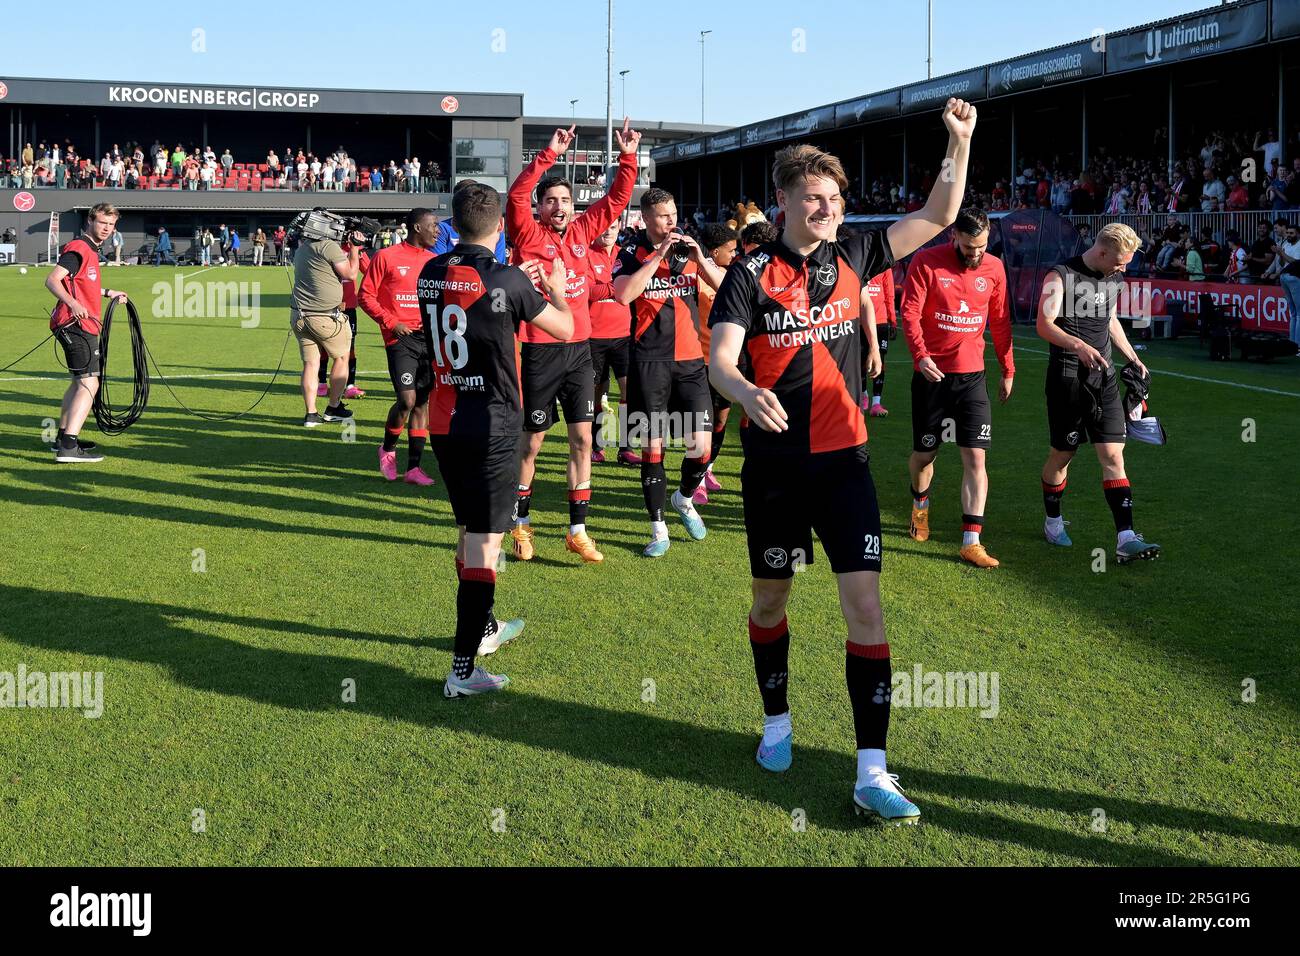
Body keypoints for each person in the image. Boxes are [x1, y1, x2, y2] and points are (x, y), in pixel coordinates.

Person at [707, 98, 978, 824]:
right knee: (772, 599)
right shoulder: (749, 274)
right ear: (785, 202)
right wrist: (741, 389)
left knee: (865, 604)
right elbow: (721, 360)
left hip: (844, 464)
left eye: (834, 198)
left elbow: (939, 213)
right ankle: (777, 722)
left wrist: (960, 141)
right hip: (773, 468)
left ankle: (872, 771)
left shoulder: (858, 252)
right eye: (813, 198)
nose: (827, 208)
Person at [419, 183, 575, 697]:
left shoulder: (429, 271)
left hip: (445, 420)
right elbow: (566, 329)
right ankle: (463, 671)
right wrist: (550, 285)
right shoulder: (507, 278)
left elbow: (478, 296)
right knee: (486, 544)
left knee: (468, 531)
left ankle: (483, 628)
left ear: (452, 224)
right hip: (492, 426)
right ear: (502, 225)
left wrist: (514, 285)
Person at [505, 118, 641, 565]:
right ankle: (521, 524)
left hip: (580, 353)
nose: (560, 206)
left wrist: (627, 155)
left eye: (565, 200)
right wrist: (549, 155)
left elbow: (619, 197)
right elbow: (515, 196)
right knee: (532, 444)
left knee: (583, 440)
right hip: (540, 352)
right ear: (540, 208)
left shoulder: (584, 232)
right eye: (551, 201)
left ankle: (577, 530)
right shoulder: (527, 235)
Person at [1036, 222, 1160, 564]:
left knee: (1113, 455)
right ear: (1102, 251)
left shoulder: (1114, 278)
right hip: (1068, 379)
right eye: (1120, 262)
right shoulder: (1059, 275)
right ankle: (1053, 521)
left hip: (1103, 378)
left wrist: (1133, 358)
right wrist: (1077, 345)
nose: (1123, 269)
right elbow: (1043, 324)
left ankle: (1125, 538)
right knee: (1063, 456)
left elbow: (1109, 319)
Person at [613, 187, 726, 556]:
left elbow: (726, 288)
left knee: (701, 447)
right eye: (663, 215)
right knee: (653, 448)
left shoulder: (690, 252)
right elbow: (624, 295)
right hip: (649, 362)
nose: (671, 221)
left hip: (692, 361)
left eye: (674, 213)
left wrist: (701, 258)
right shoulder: (631, 254)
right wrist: (657, 256)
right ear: (645, 218)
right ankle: (658, 529)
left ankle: (683, 497)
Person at [900, 207, 1014, 568]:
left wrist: (1008, 368)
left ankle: (971, 540)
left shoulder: (995, 268)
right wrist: (920, 356)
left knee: (976, 457)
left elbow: (999, 319)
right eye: (968, 247)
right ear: (954, 237)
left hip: (973, 378)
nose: (975, 254)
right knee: (925, 455)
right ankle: (920, 506)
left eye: (981, 247)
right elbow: (910, 312)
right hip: (932, 376)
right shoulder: (926, 262)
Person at [357, 207, 437, 484]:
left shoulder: (434, 260)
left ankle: (414, 468)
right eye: (433, 225)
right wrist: (392, 322)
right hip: (399, 338)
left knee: (422, 403)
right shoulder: (386, 257)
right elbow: (365, 296)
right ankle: (388, 449)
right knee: (407, 400)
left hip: (428, 340)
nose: (437, 230)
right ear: (417, 228)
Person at [44, 203, 129, 463]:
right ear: (91, 220)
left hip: (74, 324)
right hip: (76, 325)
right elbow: (52, 279)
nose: (107, 229)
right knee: (90, 382)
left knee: (78, 381)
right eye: (103, 222)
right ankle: (68, 447)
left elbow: (81, 284)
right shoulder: (80, 248)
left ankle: (62, 438)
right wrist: (74, 304)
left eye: (111, 224)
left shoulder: (91, 249)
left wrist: (107, 293)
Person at [290, 214, 365, 426]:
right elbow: (350, 274)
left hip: (299, 315)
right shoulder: (328, 246)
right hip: (324, 316)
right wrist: (354, 249)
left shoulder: (303, 248)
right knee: (342, 358)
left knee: (310, 364)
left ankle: (311, 414)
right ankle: (333, 408)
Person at [692, 222, 741, 504]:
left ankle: (708, 467)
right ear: (714, 251)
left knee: (721, 420)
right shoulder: (696, 275)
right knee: (703, 422)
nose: (733, 255)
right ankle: (696, 479)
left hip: (724, 360)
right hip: (699, 359)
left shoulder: (732, 274)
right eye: (729, 250)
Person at [587, 220, 642, 466]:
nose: (608, 232)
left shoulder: (626, 256)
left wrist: (612, 289)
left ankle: (626, 447)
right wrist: (619, 288)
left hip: (623, 336)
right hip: (592, 336)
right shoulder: (584, 254)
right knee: (596, 394)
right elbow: (586, 291)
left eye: (612, 227)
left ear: (620, 228)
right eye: (603, 227)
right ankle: (596, 445)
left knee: (629, 391)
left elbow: (636, 290)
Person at [317, 236, 370, 401]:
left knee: (350, 347)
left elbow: (370, 272)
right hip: (327, 305)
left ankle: (350, 386)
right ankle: (321, 383)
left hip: (349, 308)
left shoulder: (355, 250)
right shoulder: (326, 248)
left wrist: (360, 252)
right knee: (323, 345)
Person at [861, 264, 896, 416]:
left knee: (880, 360)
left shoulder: (885, 266)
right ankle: (863, 395)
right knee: (860, 360)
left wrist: (892, 320)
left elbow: (889, 294)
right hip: (859, 320)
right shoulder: (859, 260)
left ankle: (876, 403)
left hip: (880, 321)